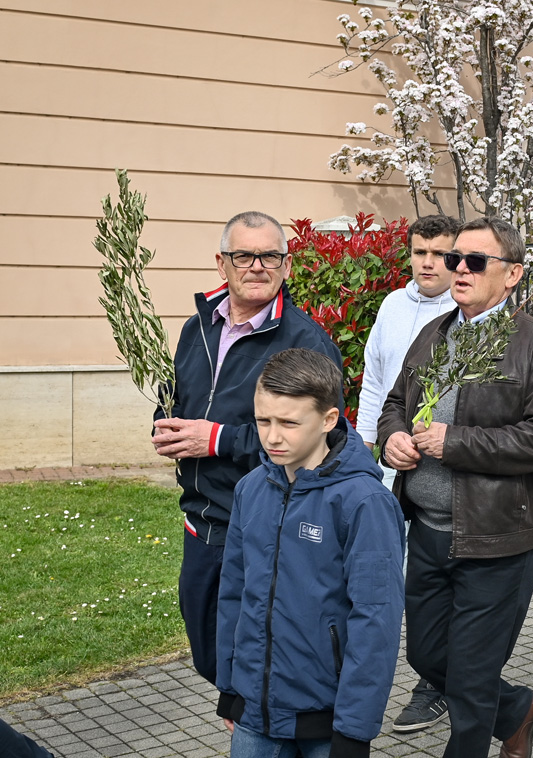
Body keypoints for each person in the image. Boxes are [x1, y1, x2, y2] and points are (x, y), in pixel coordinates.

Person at [376, 216, 533, 758]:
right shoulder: (435, 333)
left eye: (475, 261)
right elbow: (397, 402)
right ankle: (518, 709)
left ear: (512, 274)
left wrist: (455, 442)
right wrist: (392, 438)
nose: (458, 269)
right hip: (429, 531)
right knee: (426, 656)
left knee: (470, 673)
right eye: (454, 258)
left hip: (496, 537)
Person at [150, 211, 341, 685]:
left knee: (254, 663)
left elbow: (320, 441)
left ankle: (259, 724)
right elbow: (178, 396)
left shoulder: (305, 342)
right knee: (210, 657)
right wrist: (166, 423)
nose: (257, 266)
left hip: (264, 526)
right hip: (201, 522)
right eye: (243, 256)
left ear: (286, 265)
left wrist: (217, 439)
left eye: (269, 256)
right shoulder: (197, 328)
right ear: (222, 263)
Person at [215, 348, 404, 758]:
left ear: (328, 419)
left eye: (289, 423)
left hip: (328, 721)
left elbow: (376, 620)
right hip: (254, 716)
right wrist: (229, 687)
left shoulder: (365, 503)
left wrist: (355, 729)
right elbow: (234, 592)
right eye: (263, 420)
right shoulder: (250, 489)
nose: (272, 437)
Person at [356, 214, 459, 734]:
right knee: (387, 575)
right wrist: (364, 446)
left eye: (440, 254)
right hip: (389, 461)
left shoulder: (467, 315)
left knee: (438, 582)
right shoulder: (394, 306)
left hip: (444, 474)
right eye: (420, 252)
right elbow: (376, 381)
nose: (428, 263)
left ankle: (436, 684)